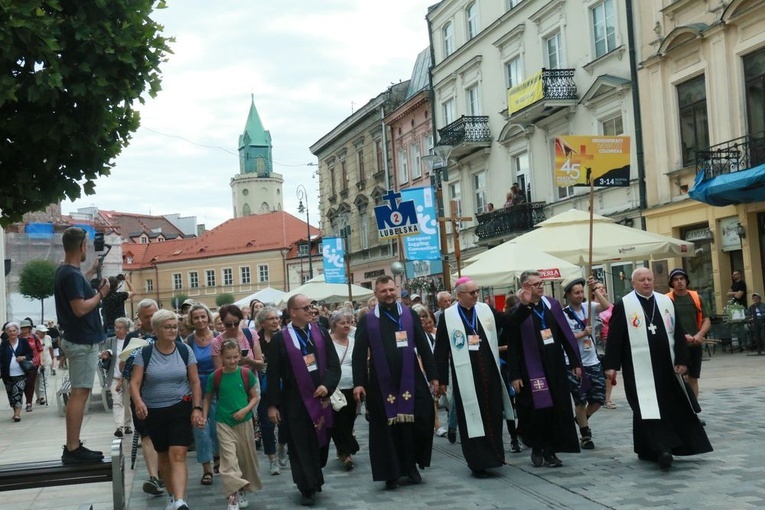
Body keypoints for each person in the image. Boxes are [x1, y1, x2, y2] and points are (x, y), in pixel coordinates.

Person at [603, 267, 712, 469]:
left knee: (668, 405)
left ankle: (648, 448)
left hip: (666, 366)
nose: (646, 283)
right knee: (646, 407)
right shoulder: (625, 305)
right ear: (633, 283)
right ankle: (663, 449)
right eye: (642, 280)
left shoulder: (665, 302)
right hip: (637, 368)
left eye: (649, 279)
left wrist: (682, 359)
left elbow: (677, 332)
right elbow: (615, 338)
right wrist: (611, 365)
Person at [352, 276, 439, 490]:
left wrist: (434, 376)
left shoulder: (409, 315)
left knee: (420, 418)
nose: (388, 294)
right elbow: (359, 353)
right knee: (387, 429)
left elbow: (424, 346)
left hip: (412, 378)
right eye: (383, 291)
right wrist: (359, 382)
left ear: (396, 290)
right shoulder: (368, 319)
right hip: (381, 383)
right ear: (376, 294)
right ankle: (391, 473)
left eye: (391, 289)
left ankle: (412, 466)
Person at [435, 277, 513, 477]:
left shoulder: (485, 310)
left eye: (477, 291)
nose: (476, 295)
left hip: (489, 374)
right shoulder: (448, 316)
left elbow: (509, 321)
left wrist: (525, 305)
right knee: (471, 419)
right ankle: (477, 462)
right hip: (465, 378)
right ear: (459, 295)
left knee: (493, 415)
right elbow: (441, 349)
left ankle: (495, 457)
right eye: (472, 293)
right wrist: (441, 379)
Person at [267, 293, 340, 506]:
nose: (311, 311)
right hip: (295, 401)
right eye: (306, 308)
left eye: (311, 306)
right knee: (299, 445)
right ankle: (306, 487)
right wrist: (273, 404)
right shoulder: (280, 339)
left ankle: (315, 477)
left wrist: (327, 385)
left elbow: (334, 365)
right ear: (292, 312)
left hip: (321, 398)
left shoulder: (320, 333)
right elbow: (273, 375)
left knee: (320, 443)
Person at [506, 270, 582, 468]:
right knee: (537, 411)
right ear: (526, 287)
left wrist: (575, 361)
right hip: (530, 370)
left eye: (542, 283)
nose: (541, 286)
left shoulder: (552, 305)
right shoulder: (518, 310)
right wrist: (514, 374)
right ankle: (537, 447)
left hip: (554, 366)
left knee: (555, 409)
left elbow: (565, 334)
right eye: (536, 284)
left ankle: (551, 451)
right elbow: (512, 344)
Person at [130, 309, 203, 510]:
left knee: (178, 453)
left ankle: (180, 501)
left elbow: (195, 382)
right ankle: (172, 496)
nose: (172, 330)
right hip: (154, 411)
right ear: (156, 330)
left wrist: (196, 408)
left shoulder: (184, 350)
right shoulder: (144, 353)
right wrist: (139, 402)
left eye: (174, 327)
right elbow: (134, 383)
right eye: (167, 327)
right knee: (163, 455)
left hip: (180, 407)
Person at [54, 226, 109, 464]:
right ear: (82, 247)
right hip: (82, 341)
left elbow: (78, 289)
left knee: (80, 391)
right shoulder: (71, 275)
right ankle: (73, 448)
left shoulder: (67, 272)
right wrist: (102, 294)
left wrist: (91, 272)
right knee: (79, 393)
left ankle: (73, 446)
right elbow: (80, 308)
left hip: (77, 339)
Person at [202, 340, 262, 510]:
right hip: (223, 422)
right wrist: (204, 416)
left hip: (244, 422)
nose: (232, 360)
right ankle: (232, 497)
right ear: (221, 357)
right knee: (228, 460)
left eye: (235, 357)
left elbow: (255, 397)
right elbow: (207, 398)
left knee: (244, 459)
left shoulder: (245, 374)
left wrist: (245, 410)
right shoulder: (216, 376)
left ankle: (242, 488)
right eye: (228, 357)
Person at [561, 276, 609, 450]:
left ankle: (581, 418)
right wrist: (582, 333)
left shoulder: (589, 308)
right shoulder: (563, 314)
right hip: (574, 362)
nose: (580, 295)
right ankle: (585, 434)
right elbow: (564, 338)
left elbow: (606, 306)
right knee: (580, 400)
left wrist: (594, 288)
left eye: (582, 292)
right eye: (576, 293)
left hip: (592, 360)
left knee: (599, 398)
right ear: (568, 295)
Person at [123, 299, 164, 496]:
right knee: (147, 435)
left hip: (166, 392)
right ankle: (154, 477)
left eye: (153, 315)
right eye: (146, 316)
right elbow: (123, 367)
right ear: (139, 317)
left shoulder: (167, 330)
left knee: (164, 435)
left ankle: (164, 472)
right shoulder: (132, 337)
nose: (150, 319)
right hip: (141, 393)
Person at [665, 268, 711, 399]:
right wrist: (682, 336)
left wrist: (700, 334)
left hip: (695, 345)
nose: (679, 282)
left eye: (682, 279)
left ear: (686, 281)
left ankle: (694, 410)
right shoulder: (666, 300)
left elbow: (706, 320)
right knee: (680, 378)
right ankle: (682, 409)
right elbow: (665, 323)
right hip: (676, 346)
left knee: (693, 378)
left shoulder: (696, 297)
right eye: (675, 279)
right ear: (671, 283)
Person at [186, 303, 218, 486]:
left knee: (217, 427)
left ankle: (219, 456)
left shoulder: (217, 338)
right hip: (196, 389)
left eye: (203, 316)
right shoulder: (189, 342)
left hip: (216, 388)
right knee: (200, 429)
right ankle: (207, 469)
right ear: (191, 320)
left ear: (208, 317)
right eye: (196, 317)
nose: (200, 320)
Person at [255, 306, 288, 474]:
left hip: (284, 384)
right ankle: (272, 459)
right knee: (266, 424)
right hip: (263, 385)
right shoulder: (257, 339)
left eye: (277, 318)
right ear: (262, 323)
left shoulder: (285, 336)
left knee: (285, 421)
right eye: (271, 318)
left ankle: (282, 444)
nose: (275, 321)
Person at [328, 309, 359, 470]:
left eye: (348, 322)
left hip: (352, 386)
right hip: (335, 388)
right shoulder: (328, 341)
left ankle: (344, 449)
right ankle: (347, 453)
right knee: (338, 421)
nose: (346, 325)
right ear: (334, 325)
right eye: (342, 323)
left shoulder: (353, 342)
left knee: (349, 419)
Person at [100, 317, 133, 437]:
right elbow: (104, 352)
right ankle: (119, 427)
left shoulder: (130, 341)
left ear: (126, 329)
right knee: (117, 401)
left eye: (121, 328)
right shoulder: (110, 340)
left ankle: (128, 424)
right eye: (116, 327)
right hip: (114, 376)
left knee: (127, 402)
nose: (118, 330)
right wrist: (105, 355)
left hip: (127, 377)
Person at [1, 322, 34, 422]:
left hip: (21, 373)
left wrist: (23, 357)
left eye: (14, 331)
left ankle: (17, 414)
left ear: (17, 331)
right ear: (7, 332)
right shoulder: (4, 344)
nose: (12, 333)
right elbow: (1, 358)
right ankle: (15, 410)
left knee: (18, 392)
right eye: (10, 331)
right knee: (11, 394)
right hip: (7, 374)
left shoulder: (23, 341)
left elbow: (30, 354)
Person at [19, 319, 43, 411]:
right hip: (21, 364)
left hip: (33, 363)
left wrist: (42, 362)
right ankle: (23, 401)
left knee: (30, 383)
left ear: (29, 328)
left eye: (26, 327)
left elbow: (39, 350)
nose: (24, 329)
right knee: (23, 383)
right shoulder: (18, 338)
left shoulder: (34, 337)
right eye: (23, 328)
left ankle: (29, 402)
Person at [34, 324, 54, 406]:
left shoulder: (48, 338)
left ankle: (42, 397)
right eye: (42, 332)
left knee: (44, 379)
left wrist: (53, 358)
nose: (44, 333)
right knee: (36, 381)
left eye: (45, 332)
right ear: (37, 332)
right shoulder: (34, 339)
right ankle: (38, 396)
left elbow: (50, 348)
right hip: (36, 362)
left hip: (47, 361)